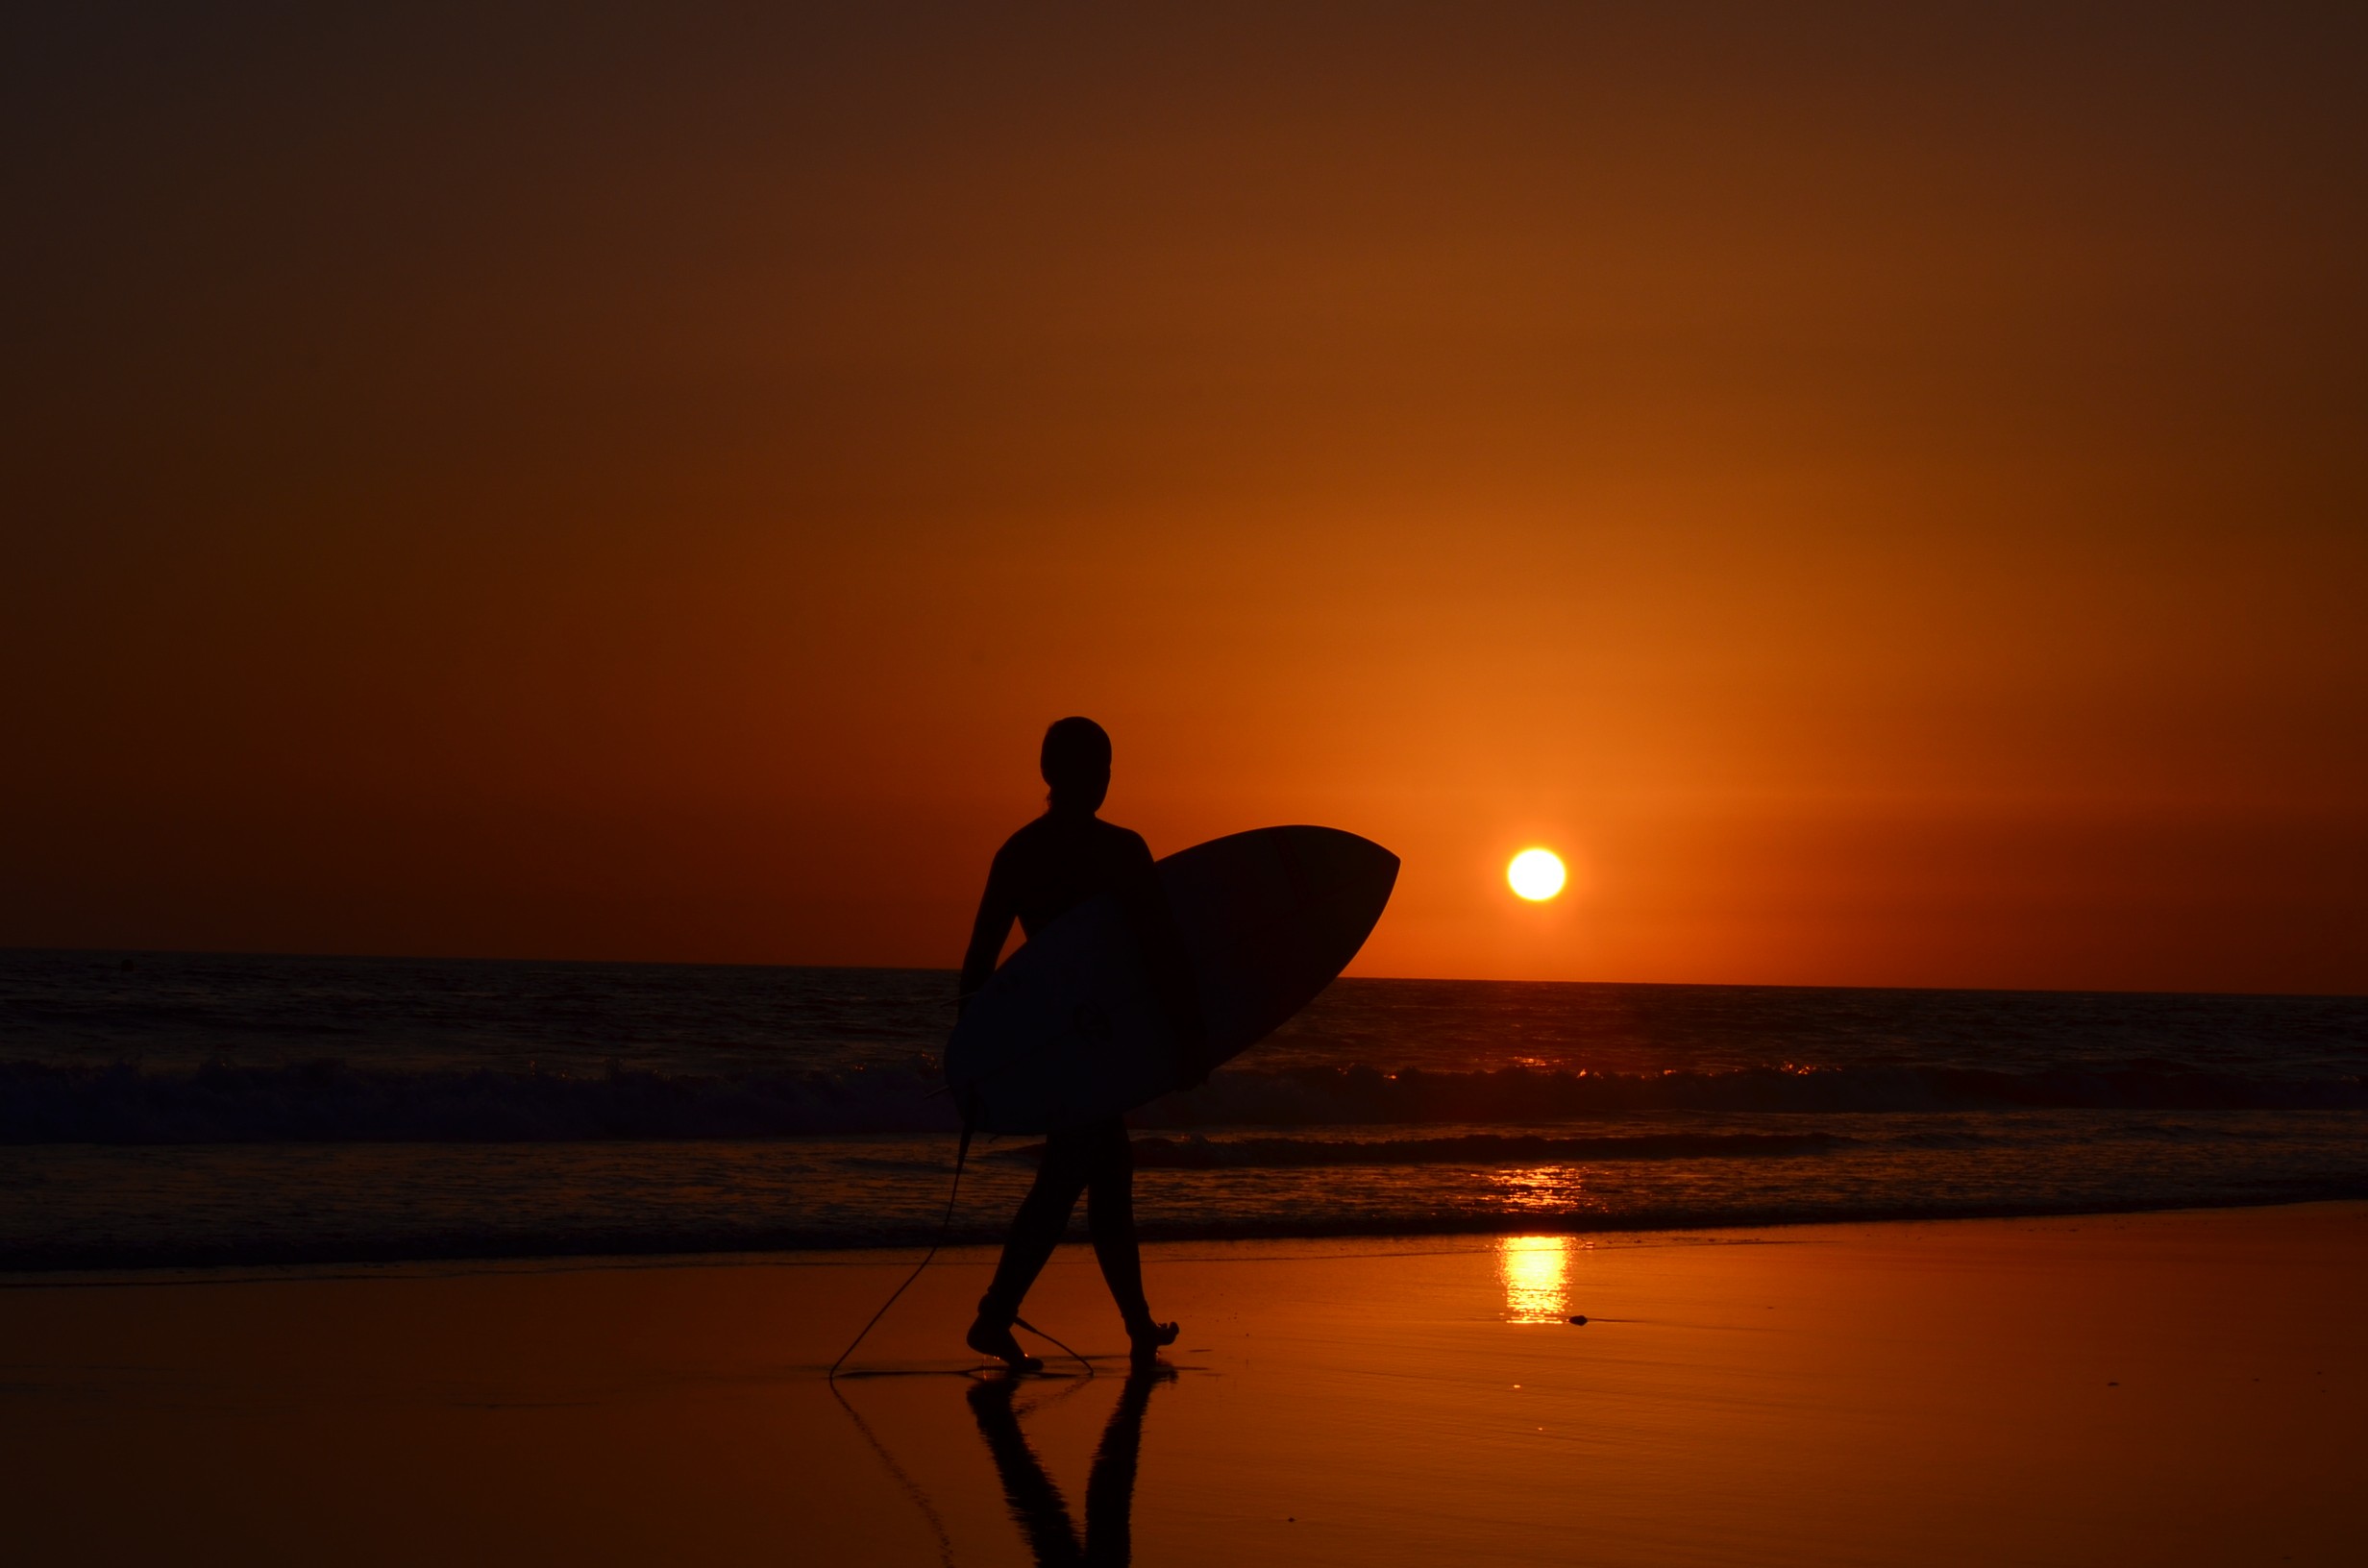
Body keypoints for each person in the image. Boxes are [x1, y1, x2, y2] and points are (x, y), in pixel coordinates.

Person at [959, 717, 1201, 1371]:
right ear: (1079, 775)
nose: (1102, 780)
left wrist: (977, 1056)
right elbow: (1162, 953)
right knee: (1076, 1178)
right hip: (1099, 1044)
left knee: (1100, 1175)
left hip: (1059, 1043)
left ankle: (1130, 1325)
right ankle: (1001, 1316)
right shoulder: (1122, 849)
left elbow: (978, 970)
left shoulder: (1018, 854)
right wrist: (1187, 1040)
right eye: (1099, 769)